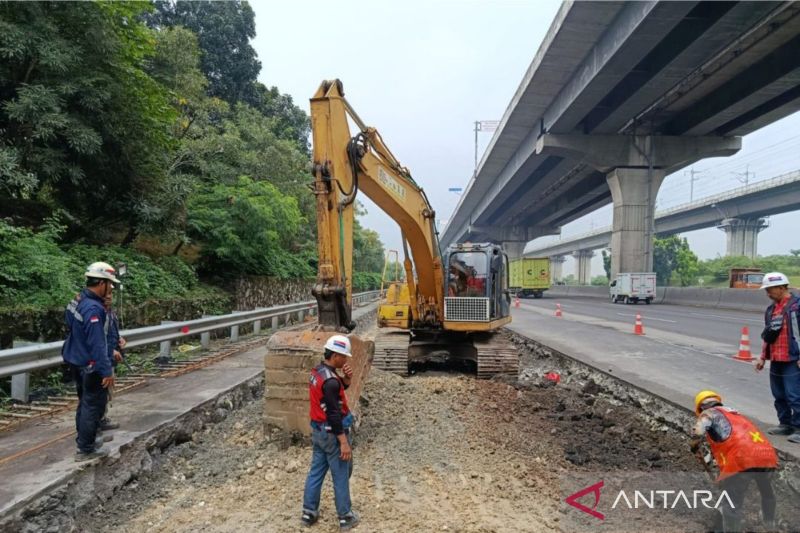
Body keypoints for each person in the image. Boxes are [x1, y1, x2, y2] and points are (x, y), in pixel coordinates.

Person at [690, 390, 778, 532]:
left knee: (732, 503)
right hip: (767, 456)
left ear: (701, 408)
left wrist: (694, 446)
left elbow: (698, 432)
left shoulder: (708, 413)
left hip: (742, 459)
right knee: (767, 493)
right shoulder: (735, 415)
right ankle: (770, 526)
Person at [301, 335, 359, 530]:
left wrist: (347, 379)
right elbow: (334, 413)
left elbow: (332, 391)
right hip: (332, 434)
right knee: (341, 473)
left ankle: (309, 512)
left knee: (316, 472)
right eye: (344, 356)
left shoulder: (319, 372)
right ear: (335, 356)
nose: (346, 360)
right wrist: (343, 441)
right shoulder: (331, 381)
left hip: (318, 432)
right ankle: (345, 516)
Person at [62, 262, 118, 461]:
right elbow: (97, 344)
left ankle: (87, 439)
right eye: (110, 284)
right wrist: (106, 371)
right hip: (91, 364)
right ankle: (86, 449)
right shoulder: (94, 309)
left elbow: (69, 322)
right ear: (101, 283)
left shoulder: (78, 300)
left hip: (77, 360)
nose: (111, 288)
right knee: (93, 404)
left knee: (84, 402)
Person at [754, 272, 800, 440]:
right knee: (779, 395)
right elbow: (769, 336)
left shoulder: (797, 307)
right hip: (776, 358)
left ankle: (799, 427)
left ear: (781, 287)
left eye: (770, 289)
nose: (768, 293)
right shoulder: (771, 310)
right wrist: (762, 357)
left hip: (793, 359)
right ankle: (785, 424)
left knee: (795, 395)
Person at [100, 294, 125, 431]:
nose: (109, 297)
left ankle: (102, 418)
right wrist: (111, 351)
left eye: (110, 295)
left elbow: (111, 332)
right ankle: (99, 421)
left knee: (108, 391)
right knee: (102, 390)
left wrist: (120, 338)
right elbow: (98, 338)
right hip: (103, 358)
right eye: (106, 296)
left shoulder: (111, 313)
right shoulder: (99, 314)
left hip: (109, 357)